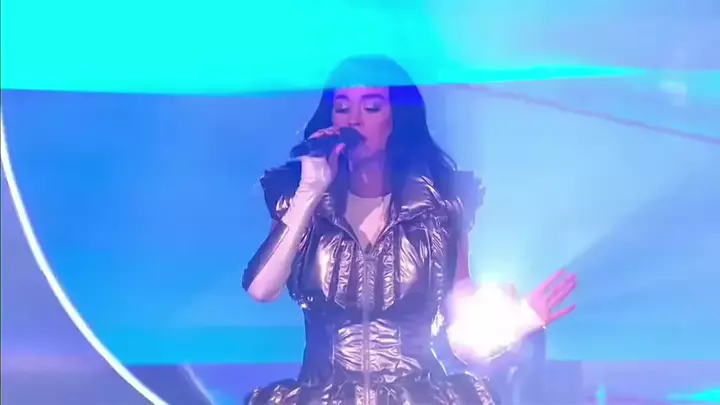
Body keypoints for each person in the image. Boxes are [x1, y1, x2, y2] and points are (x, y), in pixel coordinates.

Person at [242, 55, 576, 405]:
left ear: (396, 119)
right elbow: (262, 289)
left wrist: (518, 321)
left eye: (371, 107)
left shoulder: (439, 206)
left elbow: (461, 338)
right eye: (342, 108)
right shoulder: (302, 202)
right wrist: (311, 189)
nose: (353, 120)